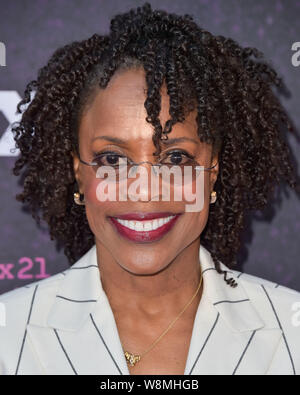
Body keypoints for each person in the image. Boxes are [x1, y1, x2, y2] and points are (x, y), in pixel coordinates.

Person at [0, 2, 299, 375]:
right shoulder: (7, 337)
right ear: (79, 173)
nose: (142, 191)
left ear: (212, 173)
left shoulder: (292, 333)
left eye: (175, 159)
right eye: (112, 159)